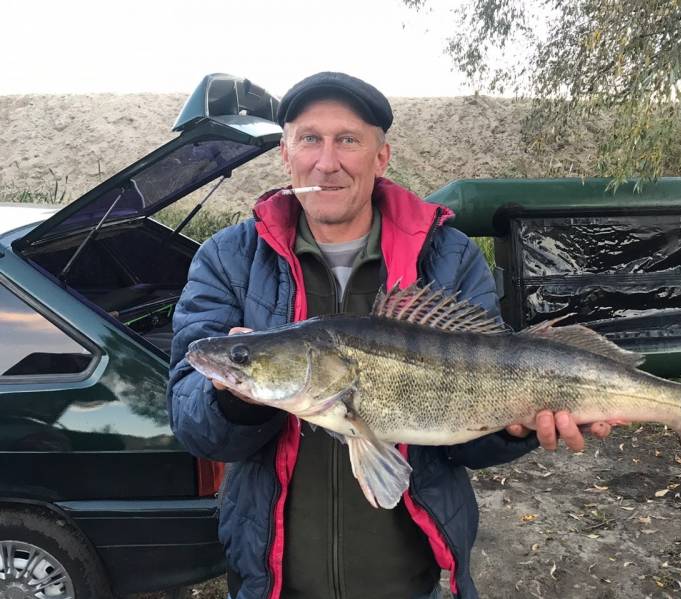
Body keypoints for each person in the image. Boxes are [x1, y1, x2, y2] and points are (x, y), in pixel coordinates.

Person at [167, 72, 614, 599]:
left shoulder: (446, 257)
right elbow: (192, 424)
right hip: (274, 583)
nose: (326, 161)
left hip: (411, 582)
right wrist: (241, 395)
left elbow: (473, 433)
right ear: (286, 155)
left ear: (380, 157)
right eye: (309, 139)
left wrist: (510, 432)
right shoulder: (227, 259)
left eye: (348, 140)